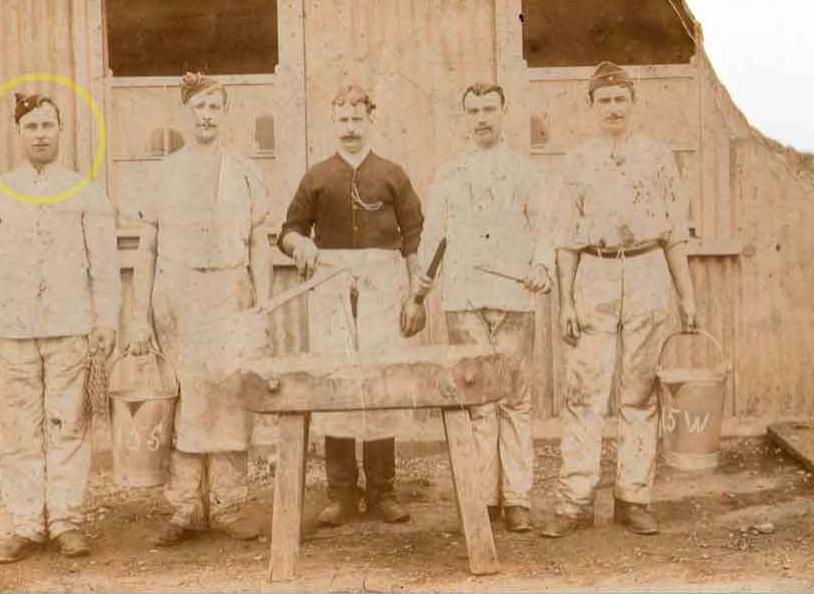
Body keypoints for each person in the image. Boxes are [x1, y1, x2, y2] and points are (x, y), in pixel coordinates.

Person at [0, 94, 121, 563]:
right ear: (18, 133)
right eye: (32, 126)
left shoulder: (85, 192)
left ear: (60, 132)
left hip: (70, 331)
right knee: (21, 430)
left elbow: (104, 265)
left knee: (67, 425)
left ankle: (65, 520)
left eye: (48, 125)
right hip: (12, 332)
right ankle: (26, 523)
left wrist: (106, 321)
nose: (41, 134)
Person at [541, 61, 697, 538]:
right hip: (595, 272)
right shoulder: (577, 161)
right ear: (591, 106)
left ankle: (634, 496)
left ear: (633, 103)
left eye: (620, 99)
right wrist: (566, 301)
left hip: (648, 270)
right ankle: (575, 501)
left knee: (639, 394)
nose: (613, 107)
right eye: (604, 100)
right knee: (584, 393)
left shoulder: (657, 157)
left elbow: (674, 236)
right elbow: (566, 239)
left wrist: (686, 297)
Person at [126, 73, 272, 546]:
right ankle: (185, 508)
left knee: (229, 396)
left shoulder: (245, 171)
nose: (207, 115)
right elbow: (146, 249)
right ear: (185, 113)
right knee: (183, 397)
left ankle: (230, 504)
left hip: (230, 291)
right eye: (199, 107)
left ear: (225, 113)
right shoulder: (165, 171)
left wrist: (263, 306)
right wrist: (139, 315)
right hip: (178, 295)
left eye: (215, 106)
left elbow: (259, 243)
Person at [278, 84, 425, 527]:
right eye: (342, 120)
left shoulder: (393, 174)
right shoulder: (317, 176)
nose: (350, 128)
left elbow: (415, 237)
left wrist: (415, 294)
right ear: (333, 122)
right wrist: (299, 244)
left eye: (357, 119)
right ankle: (341, 492)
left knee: (380, 381)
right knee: (336, 382)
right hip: (330, 285)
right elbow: (288, 231)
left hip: (384, 285)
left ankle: (382, 491)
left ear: (370, 119)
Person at [412, 82, 551, 533]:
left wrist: (542, 267)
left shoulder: (525, 172)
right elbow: (434, 237)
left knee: (514, 399)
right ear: (464, 116)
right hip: (465, 299)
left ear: (503, 111)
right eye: (473, 111)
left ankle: (517, 498)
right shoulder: (450, 173)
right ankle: (482, 498)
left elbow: (545, 228)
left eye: (490, 109)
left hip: (513, 299)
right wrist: (420, 292)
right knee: (476, 401)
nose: (482, 118)